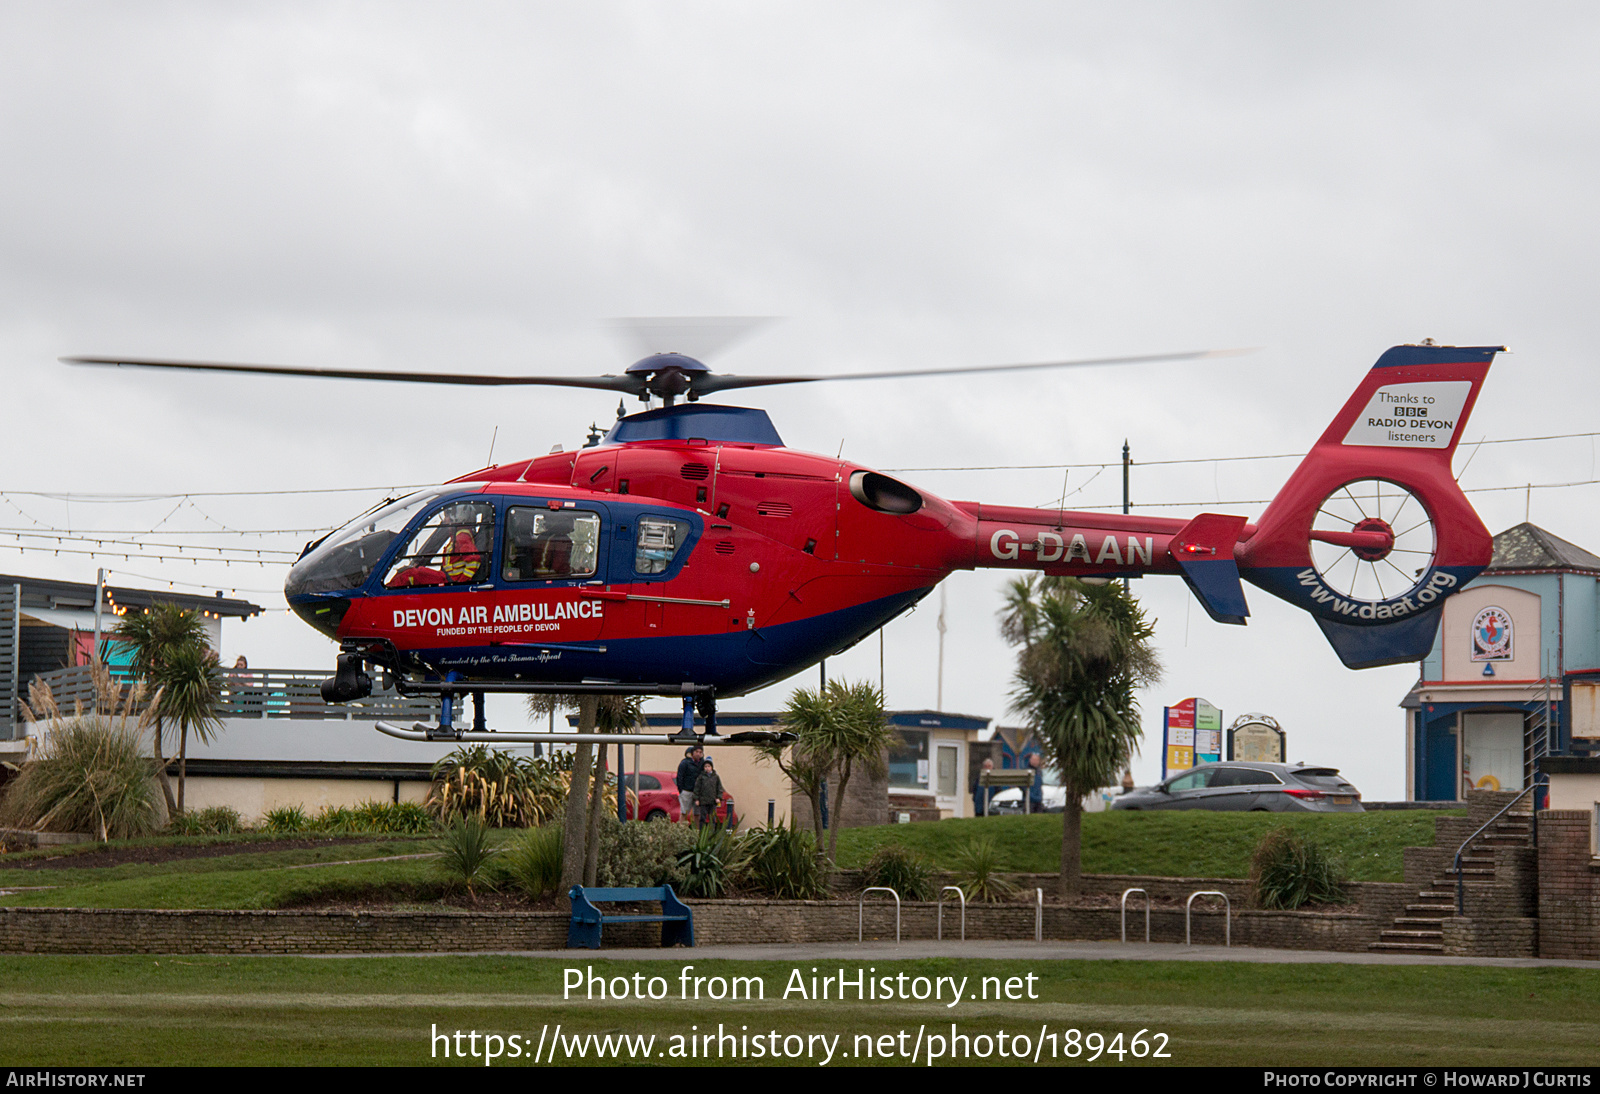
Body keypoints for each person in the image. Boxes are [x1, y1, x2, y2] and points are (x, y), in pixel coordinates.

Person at [675, 745, 705, 822]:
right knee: (684, 813)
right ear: (692, 753)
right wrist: (681, 790)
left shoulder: (703, 764)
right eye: (696, 752)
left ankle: (696, 832)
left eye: (700, 752)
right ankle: (681, 831)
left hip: (698, 793)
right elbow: (680, 777)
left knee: (697, 814)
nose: (698, 754)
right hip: (687, 791)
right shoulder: (685, 763)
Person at [693, 758, 725, 827]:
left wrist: (719, 797)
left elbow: (719, 788)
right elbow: (697, 788)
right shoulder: (701, 777)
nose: (707, 768)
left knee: (712, 818)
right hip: (703, 801)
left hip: (712, 801)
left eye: (709, 766)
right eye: (705, 766)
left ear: (712, 767)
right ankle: (702, 832)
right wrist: (696, 799)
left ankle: (711, 832)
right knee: (703, 818)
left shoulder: (716, 777)